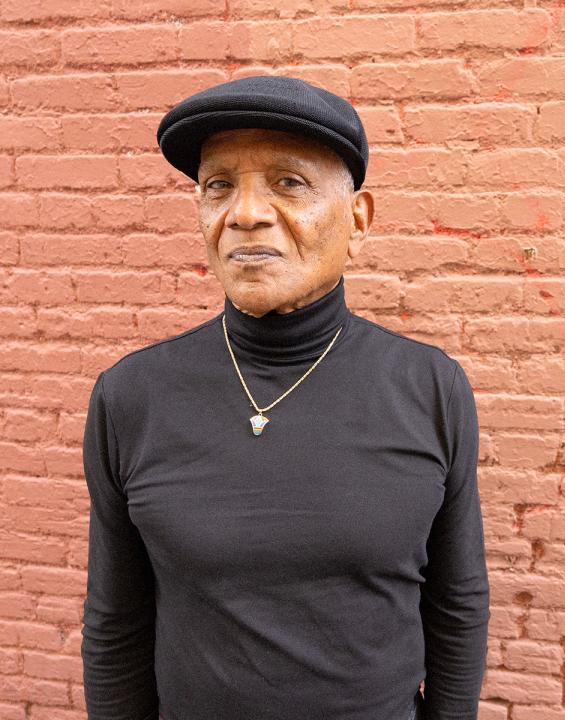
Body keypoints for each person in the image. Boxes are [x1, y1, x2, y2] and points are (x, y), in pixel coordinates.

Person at [79, 74, 490, 720]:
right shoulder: (132, 398)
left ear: (358, 219)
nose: (245, 212)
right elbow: (116, 624)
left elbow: (457, 605)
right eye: (219, 185)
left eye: (288, 182)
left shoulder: (429, 390)